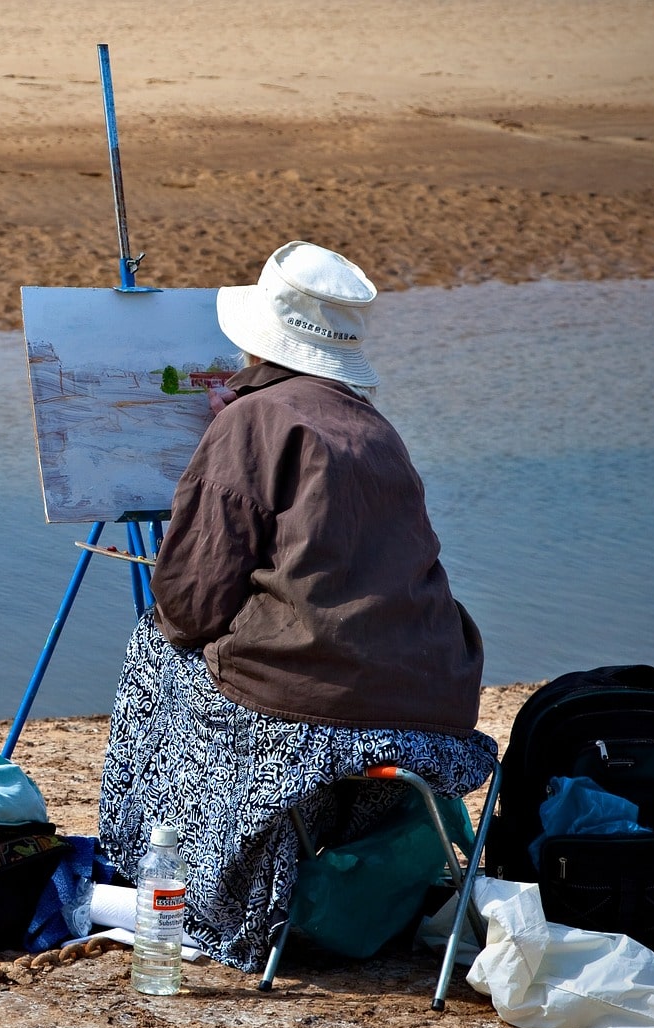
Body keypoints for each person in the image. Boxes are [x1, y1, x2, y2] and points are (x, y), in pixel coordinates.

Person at [98, 241, 498, 971]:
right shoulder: (374, 426)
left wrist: (220, 446)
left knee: (157, 648)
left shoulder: (249, 421)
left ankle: (179, 881)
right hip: (435, 715)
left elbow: (187, 604)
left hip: (323, 722)